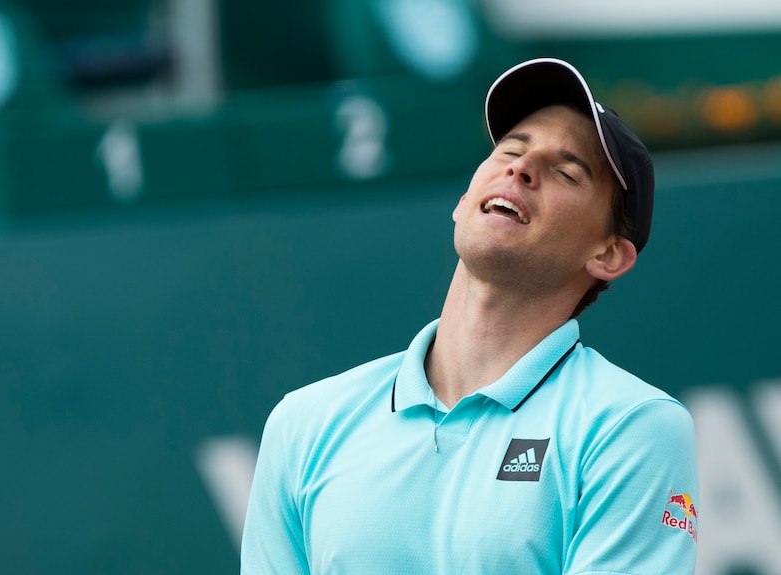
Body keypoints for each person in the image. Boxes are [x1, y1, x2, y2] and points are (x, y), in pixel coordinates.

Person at [240, 58, 699, 574]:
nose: (520, 169)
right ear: (464, 201)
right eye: (510, 150)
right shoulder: (303, 423)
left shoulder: (632, 427)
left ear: (609, 255)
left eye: (566, 172)